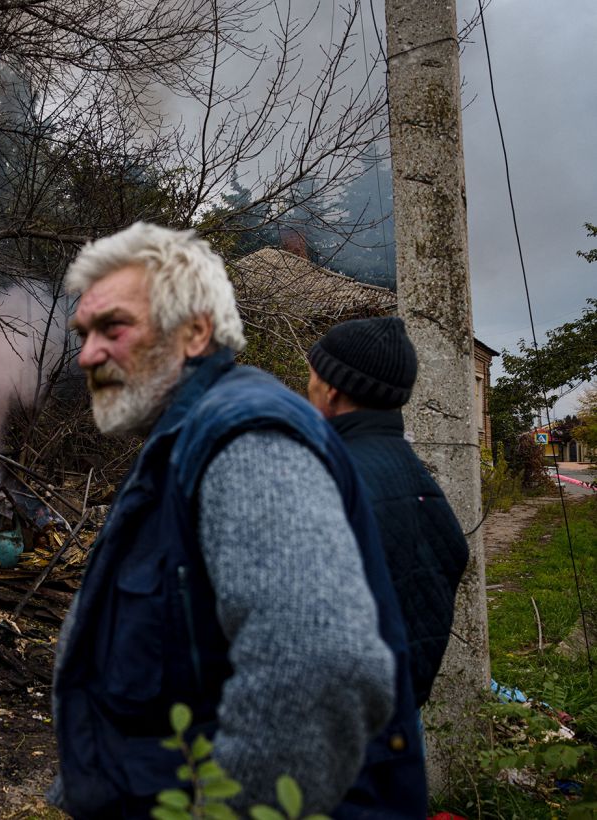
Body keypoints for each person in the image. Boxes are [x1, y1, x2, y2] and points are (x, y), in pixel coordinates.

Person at [49, 223, 425, 817]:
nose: (87, 354)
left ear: (196, 331)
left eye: (113, 328)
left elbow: (317, 663)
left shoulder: (244, 437)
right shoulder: (182, 441)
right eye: (84, 333)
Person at [307, 316, 470, 708]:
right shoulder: (416, 475)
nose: (306, 388)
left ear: (330, 390)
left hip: (339, 723)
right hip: (400, 711)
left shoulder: (329, 478)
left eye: (310, 376)